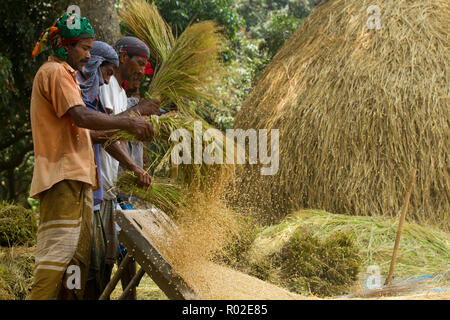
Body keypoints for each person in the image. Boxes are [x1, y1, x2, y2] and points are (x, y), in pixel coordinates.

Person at [27, 13, 154, 300]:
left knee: (76, 260)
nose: (88, 55)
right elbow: (83, 117)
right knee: (56, 257)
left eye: (89, 48)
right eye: (84, 48)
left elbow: (89, 130)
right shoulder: (56, 73)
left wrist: (133, 164)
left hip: (79, 178)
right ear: (65, 46)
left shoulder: (68, 76)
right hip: (62, 176)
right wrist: (130, 122)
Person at [98, 36, 160, 299]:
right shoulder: (105, 85)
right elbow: (104, 130)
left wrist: (136, 168)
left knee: (117, 252)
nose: (143, 71)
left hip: (113, 187)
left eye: (146, 66)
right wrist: (134, 168)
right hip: (97, 187)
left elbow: (117, 135)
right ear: (123, 58)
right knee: (99, 261)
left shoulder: (122, 94)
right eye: (140, 63)